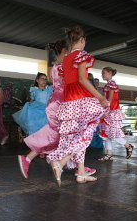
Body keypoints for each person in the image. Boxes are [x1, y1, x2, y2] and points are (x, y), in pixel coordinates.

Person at [18, 39, 96, 178]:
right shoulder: (63, 67)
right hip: (62, 103)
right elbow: (73, 84)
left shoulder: (56, 67)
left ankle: (80, 168)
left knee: (66, 136)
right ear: (65, 52)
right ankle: (30, 158)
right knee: (67, 135)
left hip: (58, 102)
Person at [46, 25, 109, 187]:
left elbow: (64, 81)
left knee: (77, 135)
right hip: (82, 99)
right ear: (82, 40)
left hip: (69, 101)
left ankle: (81, 173)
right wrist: (100, 96)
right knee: (85, 135)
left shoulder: (66, 58)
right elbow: (82, 79)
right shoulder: (82, 55)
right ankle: (61, 161)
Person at [98, 67, 134, 161]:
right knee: (106, 134)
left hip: (112, 111)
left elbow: (110, 99)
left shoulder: (112, 84)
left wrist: (104, 110)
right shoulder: (108, 84)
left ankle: (128, 146)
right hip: (109, 110)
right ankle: (109, 154)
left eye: (104, 73)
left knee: (114, 133)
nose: (102, 75)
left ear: (110, 73)